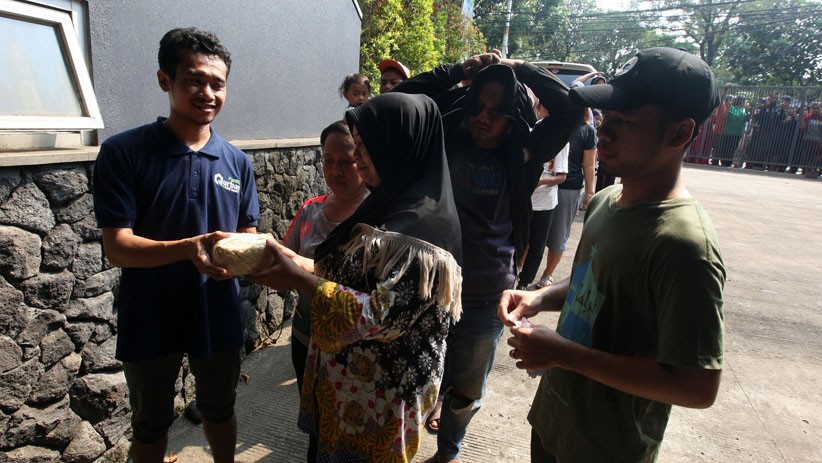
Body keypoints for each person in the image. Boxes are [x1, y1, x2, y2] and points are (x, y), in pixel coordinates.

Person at [499, 47, 726, 462]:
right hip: (553, 423)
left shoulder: (685, 246)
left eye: (627, 122)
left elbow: (696, 387)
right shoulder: (607, 200)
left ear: (679, 133)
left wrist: (566, 355)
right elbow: (593, 279)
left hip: (607, 449)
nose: (604, 132)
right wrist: (540, 298)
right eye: (607, 117)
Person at [250, 93, 463, 462]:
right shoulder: (385, 202)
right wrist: (289, 259)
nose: (360, 157)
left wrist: (299, 279)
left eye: (366, 146)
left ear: (398, 147)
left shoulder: (424, 228)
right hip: (348, 385)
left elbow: (380, 316)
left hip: (382, 396)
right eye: (358, 145)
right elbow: (344, 270)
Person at [393, 52, 582, 463]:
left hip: (487, 291)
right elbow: (401, 100)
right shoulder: (444, 135)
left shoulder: (524, 149)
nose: (483, 118)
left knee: (467, 387)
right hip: (427, 286)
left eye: (496, 112)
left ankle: (449, 451)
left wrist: (522, 68)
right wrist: (457, 71)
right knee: (412, 377)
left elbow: (571, 108)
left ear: (512, 116)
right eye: (478, 106)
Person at [92, 28, 259, 463]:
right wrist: (187, 248)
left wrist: (259, 252)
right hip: (149, 311)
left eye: (218, 84)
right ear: (165, 80)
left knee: (220, 409)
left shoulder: (237, 162)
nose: (208, 93)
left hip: (217, 308)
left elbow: (246, 234)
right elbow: (118, 247)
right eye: (194, 80)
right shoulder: (124, 152)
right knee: (150, 424)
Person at [282, 120, 368, 462]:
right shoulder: (310, 211)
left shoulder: (379, 217)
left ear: (363, 160)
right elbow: (285, 268)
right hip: (306, 337)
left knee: (351, 430)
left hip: (355, 349)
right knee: (316, 427)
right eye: (328, 161)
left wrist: (303, 266)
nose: (335, 171)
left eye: (346, 161)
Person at [533, 110, 596, 289]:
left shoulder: (586, 130)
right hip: (541, 188)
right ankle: (522, 270)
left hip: (568, 189)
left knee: (558, 234)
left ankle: (548, 273)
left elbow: (589, 164)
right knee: (533, 233)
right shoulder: (545, 125)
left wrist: (590, 192)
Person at [516, 143, 568, 290]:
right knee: (516, 241)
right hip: (522, 200)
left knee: (537, 245)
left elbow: (562, 177)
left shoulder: (561, 140)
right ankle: (512, 274)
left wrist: (540, 181)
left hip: (545, 203)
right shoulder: (526, 132)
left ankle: (524, 283)